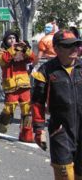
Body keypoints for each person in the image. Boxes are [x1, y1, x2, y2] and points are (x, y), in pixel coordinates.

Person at [31, 30, 82, 179]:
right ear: (57, 49)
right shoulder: (46, 71)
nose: (74, 49)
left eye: (76, 45)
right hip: (61, 131)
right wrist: (39, 130)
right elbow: (37, 102)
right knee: (65, 174)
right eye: (69, 46)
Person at [0, 30, 35, 142]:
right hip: (10, 85)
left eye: (14, 38)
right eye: (9, 38)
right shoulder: (0, 51)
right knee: (9, 110)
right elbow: (3, 61)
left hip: (24, 84)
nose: (12, 40)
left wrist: (25, 48)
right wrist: (13, 49)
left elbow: (32, 58)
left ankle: (26, 135)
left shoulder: (22, 50)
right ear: (5, 40)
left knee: (27, 111)